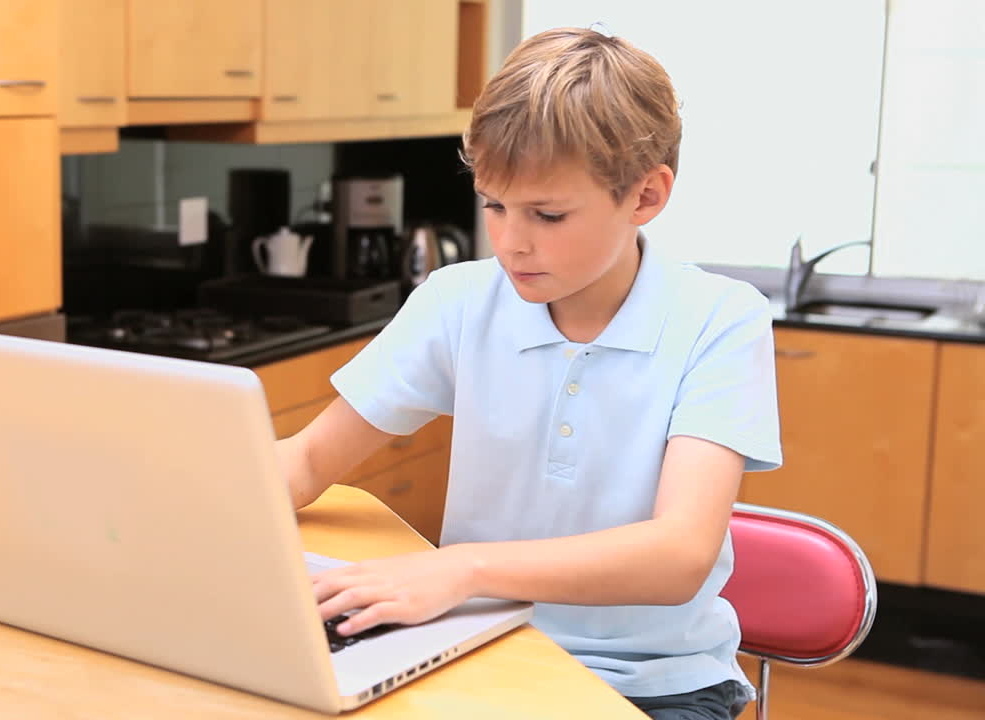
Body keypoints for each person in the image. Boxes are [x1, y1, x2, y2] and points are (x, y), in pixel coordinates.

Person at [275, 27, 781, 720]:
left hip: (653, 685)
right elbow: (306, 458)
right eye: (494, 205)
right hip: (477, 648)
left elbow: (679, 554)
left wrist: (463, 568)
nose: (511, 241)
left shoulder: (722, 320)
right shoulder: (459, 301)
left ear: (645, 196)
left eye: (547, 214)